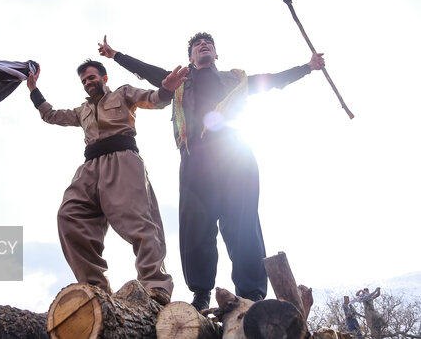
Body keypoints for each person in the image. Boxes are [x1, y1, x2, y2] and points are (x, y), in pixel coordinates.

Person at [98, 33, 325, 310]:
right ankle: (201, 293)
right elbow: (145, 70)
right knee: (196, 226)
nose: (203, 46)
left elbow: (272, 80)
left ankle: (251, 293)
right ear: (190, 57)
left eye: (209, 44)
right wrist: (116, 55)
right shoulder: (179, 80)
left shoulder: (236, 79)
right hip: (195, 159)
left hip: (235, 156)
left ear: (216, 54)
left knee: (243, 222)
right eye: (197, 45)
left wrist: (307, 67)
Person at [27, 59, 188, 304]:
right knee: (69, 216)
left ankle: (155, 286)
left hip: (122, 160)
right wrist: (33, 89)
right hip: (90, 167)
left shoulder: (123, 94)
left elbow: (155, 99)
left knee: (139, 223)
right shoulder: (82, 111)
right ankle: (96, 290)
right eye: (83, 81)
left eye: (91, 78)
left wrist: (167, 89)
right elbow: (50, 115)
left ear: (104, 79)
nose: (87, 83)